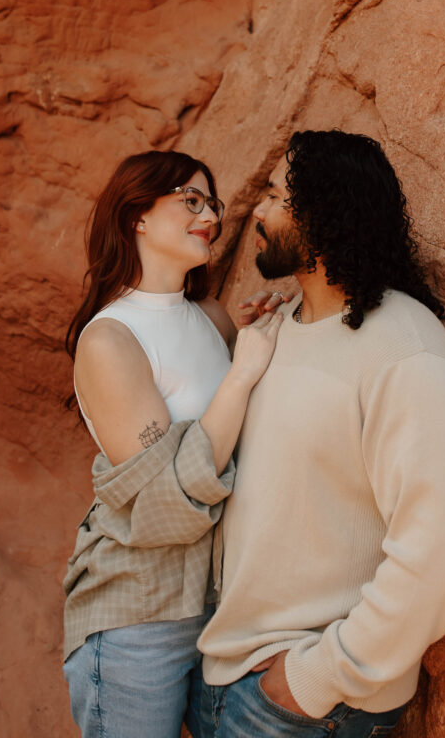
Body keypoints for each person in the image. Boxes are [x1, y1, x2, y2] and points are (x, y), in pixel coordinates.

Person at [193, 130, 445, 738]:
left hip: (306, 704)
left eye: (275, 196)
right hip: (224, 676)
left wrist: (314, 679)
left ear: (323, 210)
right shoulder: (276, 330)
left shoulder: (405, 350)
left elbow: (439, 553)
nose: (258, 213)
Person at [61, 149, 283, 738]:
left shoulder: (212, 318)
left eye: (212, 201)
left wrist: (268, 336)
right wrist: (242, 373)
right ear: (136, 215)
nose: (209, 213)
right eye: (190, 199)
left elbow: (247, 441)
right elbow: (162, 504)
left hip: (223, 607)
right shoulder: (110, 339)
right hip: (138, 615)